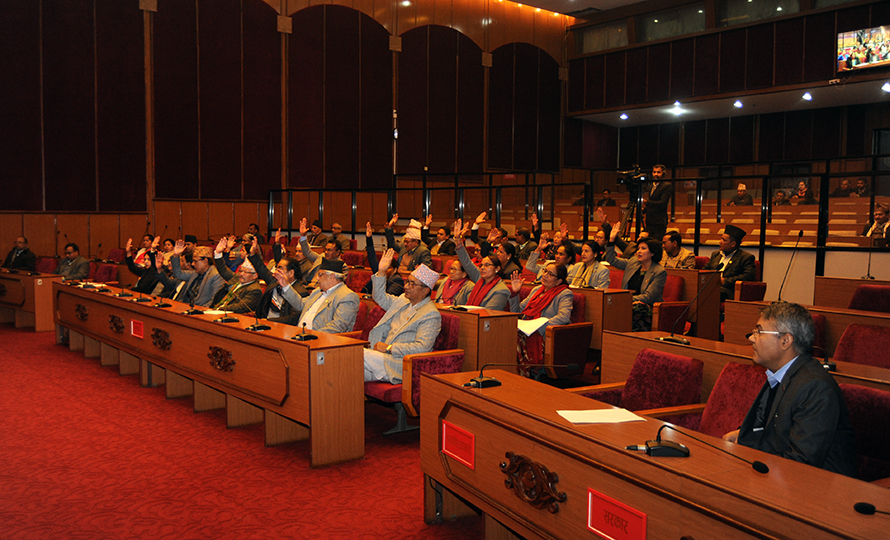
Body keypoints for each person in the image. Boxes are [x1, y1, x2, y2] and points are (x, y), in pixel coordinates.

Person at [723, 302, 857, 477]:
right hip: (783, 476)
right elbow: (776, 431)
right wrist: (743, 436)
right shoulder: (781, 374)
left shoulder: (815, 387)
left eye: (759, 332)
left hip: (822, 490)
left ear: (786, 340)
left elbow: (801, 462)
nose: (752, 338)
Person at [363, 253, 441, 384]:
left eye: (412, 284)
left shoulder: (430, 314)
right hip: (381, 359)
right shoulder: (403, 300)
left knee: (355, 354)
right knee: (347, 372)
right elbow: (380, 297)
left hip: (398, 364)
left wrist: (389, 348)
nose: (406, 287)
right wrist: (381, 272)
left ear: (425, 291)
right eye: (407, 282)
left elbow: (422, 347)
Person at [507, 263, 573, 367]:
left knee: (514, 340)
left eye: (550, 274)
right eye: (545, 271)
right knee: (505, 335)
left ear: (559, 281)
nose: (545, 275)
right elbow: (517, 312)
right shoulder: (537, 290)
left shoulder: (564, 294)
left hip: (543, 334)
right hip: (526, 329)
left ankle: (522, 375)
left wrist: (537, 326)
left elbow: (564, 317)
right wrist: (515, 293)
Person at [605, 227, 667, 332]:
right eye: (638, 248)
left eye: (643, 249)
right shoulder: (633, 262)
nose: (639, 251)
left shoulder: (659, 272)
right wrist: (611, 241)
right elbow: (612, 260)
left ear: (652, 253)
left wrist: (626, 299)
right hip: (628, 302)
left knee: (636, 308)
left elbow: (648, 297)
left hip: (647, 308)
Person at [281, 258, 359, 334]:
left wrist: (311, 335)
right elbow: (300, 305)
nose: (317, 278)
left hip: (322, 341)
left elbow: (337, 326)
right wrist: (285, 286)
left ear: (331, 277)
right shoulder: (317, 291)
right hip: (301, 334)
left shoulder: (347, 296)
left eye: (320, 275)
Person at [455, 220, 510, 310]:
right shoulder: (480, 279)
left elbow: (488, 314)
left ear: (497, 268)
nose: (483, 268)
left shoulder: (501, 290)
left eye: (487, 265)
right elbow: (466, 262)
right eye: (481, 265)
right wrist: (458, 239)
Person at [245, 239, 303, 325]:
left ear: (291, 273)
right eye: (277, 268)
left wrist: (268, 321)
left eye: (280, 268)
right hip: (264, 324)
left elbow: (292, 319)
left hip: (282, 329)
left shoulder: (300, 292)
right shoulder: (275, 282)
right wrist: (253, 254)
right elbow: (262, 269)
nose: (276, 271)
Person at [157, 241, 225, 307]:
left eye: (195, 261)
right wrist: (176, 255)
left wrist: (199, 311)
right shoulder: (195, 273)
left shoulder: (216, 275)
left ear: (205, 261)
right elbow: (178, 274)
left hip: (199, 311)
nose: (192, 264)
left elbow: (214, 301)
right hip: (186, 306)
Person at [210, 237, 263, 314]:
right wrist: (218, 253)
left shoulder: (254, 290)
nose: (241, 274)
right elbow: (223, 270)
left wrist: (220, 309)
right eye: (241, 270)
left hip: (229, 315)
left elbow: (240, 307)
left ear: (255, 276)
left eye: (245, 272)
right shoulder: (237, 278)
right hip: (215, 309)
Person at [704, 224, 756, 301]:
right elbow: (705, 270)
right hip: (711, 287)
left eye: (724, 240)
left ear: (733, 244)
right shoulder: (715, 255)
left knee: (709, 293)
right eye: (721, 239)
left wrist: (725, 281)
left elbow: (747, 277)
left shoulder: (746, 257)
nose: (720, 242)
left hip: (728, 291)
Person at [362, 221, 404, 297]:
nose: (385, 270)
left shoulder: (397, 280)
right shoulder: (380, 272)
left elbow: (388, 298)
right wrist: (369, 238)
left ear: (395, 270)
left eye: (388, 268)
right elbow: (372, 258)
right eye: (384, 267)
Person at [297, 217, 343, 285]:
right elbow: (307, 252)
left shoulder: (342, 266)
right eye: (326, 250)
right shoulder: (321, 257)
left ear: (337, 252)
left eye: (329, 250)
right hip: (307, 283)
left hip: (320, 288)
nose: (326, 252)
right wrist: (303, 236)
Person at [644, 164, 673, 240]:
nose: (656, 174)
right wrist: (644, 210)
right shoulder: (651, 186)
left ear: (663, 173)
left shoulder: (667, 186)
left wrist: (647, 202)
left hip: (659, 221)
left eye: (658, 172)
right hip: (649, 221)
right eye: (654, 172)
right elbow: (652, 203)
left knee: (657, 244)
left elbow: (663, 203)